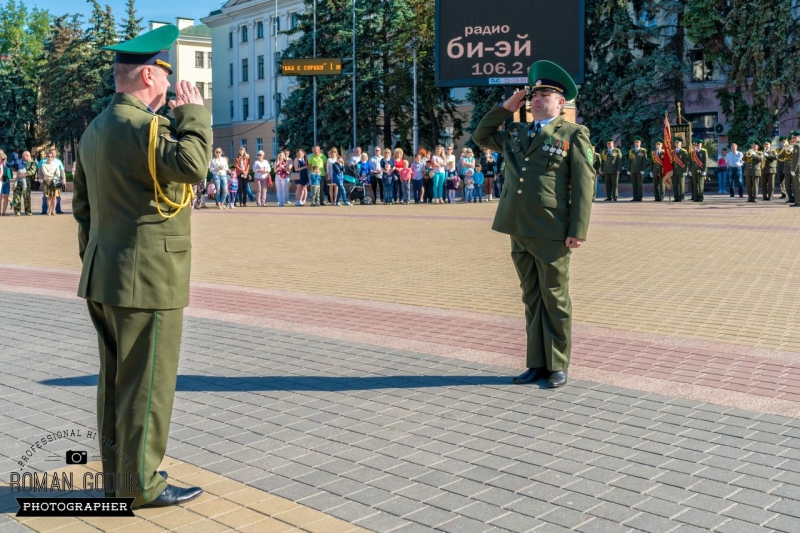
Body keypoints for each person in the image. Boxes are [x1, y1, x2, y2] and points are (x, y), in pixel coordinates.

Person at [72, 24, 209, 508]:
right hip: (147, 277)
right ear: (149, 75)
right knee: (147, 386)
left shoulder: (95, 130)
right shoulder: (144, 128)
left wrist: (100, 261)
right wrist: (193, 113)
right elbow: (193, 165)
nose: (172, 89)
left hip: (104, 275)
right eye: (168, 81)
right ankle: (141, 486)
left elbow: (83, 212)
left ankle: (119, 478)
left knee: (115, 385)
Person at [472, 60, 593, 389]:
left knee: (554, 297)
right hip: (518, 226)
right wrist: (506, 107)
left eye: (545, 94)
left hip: (552, 229)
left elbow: (584, 183)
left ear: (560, 101)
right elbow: (480, 136)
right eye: (533, 94)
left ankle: (557, 365)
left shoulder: (573, 134)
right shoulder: (515, 130)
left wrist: (577, 230)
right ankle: (536, 364)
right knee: (531, 297)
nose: (536, 99)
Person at [38, 148, 65, 214]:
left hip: (55, 181)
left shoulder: (58, 162)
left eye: (54, 153)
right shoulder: (43, 161)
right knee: (46, 196)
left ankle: (57, 210)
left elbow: (61, 171)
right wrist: (42, 178)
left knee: (56, 196)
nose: (52, 155)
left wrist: (64, 179)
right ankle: (45, 210)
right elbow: (40, 171)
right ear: (48, 153)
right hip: (47, 181)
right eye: (51, 153)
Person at [628, 136, 648, 201]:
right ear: (634, 144)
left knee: (639, 184)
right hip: (633, 170)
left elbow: (644, 161)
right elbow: (629, 161)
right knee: (634, 184)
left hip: (640, 171)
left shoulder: (643, 151)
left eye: (638, 142)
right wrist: (629, 169)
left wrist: (643, 169)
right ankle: (635, 197)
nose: (636, 144)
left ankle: (639, 197)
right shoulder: (631, 151)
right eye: (635, 143)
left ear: (640, 143)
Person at [13, 151, 33, 216]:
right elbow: (15, 168)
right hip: (18, 182)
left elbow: (32, 171)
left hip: (27, 183)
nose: (22, 157)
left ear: (27, 156)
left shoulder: (32, 163)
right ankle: (17, 211)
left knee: (27, 197)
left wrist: (23, 175)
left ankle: (28, 211)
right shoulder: (20, 161)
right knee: (16, 197)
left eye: (23, 156)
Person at [689, 138, 708, 202]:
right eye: (696, 145)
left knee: (700, 185)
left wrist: (704, 171)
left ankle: (700, 197)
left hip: (700, 171)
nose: (697, 146)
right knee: (694, 185)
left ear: (701, 144)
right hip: (693, 170)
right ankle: (695, 197)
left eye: (698, 145)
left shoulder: (704, 151)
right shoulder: (692, 152)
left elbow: (705, 162)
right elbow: (691, 162)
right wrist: (690, 170)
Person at [787, 131, 800, 206]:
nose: (793, 139)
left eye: (795, 137)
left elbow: (796, 159)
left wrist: (793, 170)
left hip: (797, 168)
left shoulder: (797, 146)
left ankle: (798, 201)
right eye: (793, 138)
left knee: (797, 185)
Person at [0, 150, 9, 216]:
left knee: (6, 196)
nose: (3, 160)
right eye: (2, 159)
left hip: (6, 182)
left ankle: (4, 212)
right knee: (0, 197)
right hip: (0, 182)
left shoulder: (6, 165)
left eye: (4, 159)